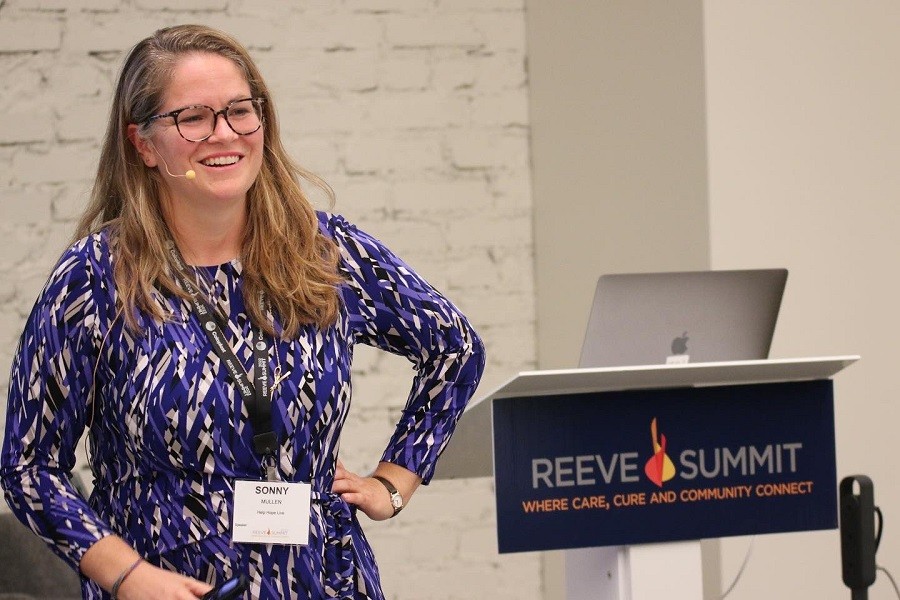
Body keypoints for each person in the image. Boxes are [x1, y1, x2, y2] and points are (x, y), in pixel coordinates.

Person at [0, 24, 485, 600]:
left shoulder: (326, 253)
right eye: (193, 118)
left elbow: (455, 348)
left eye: (239, 110)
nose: (223, 133)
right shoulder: (96, 278)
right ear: (145, 144)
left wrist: (394, 483)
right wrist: (127, 577)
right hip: (171, 586)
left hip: (324, 582)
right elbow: (30, 468)